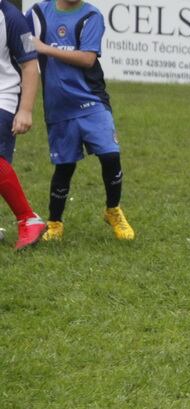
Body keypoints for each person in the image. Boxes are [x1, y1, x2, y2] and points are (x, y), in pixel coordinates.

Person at [26, 0, 134, 242]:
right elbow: (23, 47)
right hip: (58, 107)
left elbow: (87, 59)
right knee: (64, 165)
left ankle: (113, 210)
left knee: (110, 154)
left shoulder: (91, 16)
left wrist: (45, 48)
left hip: (91, 100)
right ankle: (55, 223)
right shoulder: (36, 13)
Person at [0, 0, 45, 250]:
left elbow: (30, 64)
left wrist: (25, 110)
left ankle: (29, 219)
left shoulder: (12, 17)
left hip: (4, 98)